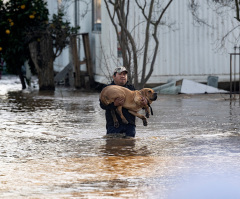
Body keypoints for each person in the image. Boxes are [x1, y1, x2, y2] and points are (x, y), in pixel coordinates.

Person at [100, 66, 147, 138]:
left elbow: (139, 105)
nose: (123, 76)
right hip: (114, 126)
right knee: (113, 148)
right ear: (114, 76)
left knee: (129, 148)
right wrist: (114, 104)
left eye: (124, 74)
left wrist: (144, 104)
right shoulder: (108, 88)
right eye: (120, 74)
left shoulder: (132, 88)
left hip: (130, 126)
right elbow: (102, 105)